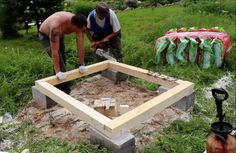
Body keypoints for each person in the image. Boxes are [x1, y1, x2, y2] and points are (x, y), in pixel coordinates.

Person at [39, 11, 87, 94]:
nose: (79, 32)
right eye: (78, 30)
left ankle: (57, 84)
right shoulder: (56, 27)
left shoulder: (78, 22)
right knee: (60, 63)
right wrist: (58, 72)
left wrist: (81, 64)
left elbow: (80, 45)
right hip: (46, 36)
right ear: (73, 26)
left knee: (62, 59)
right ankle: (63, 89)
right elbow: (54, 51)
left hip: (59, 36)